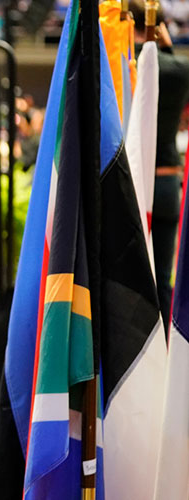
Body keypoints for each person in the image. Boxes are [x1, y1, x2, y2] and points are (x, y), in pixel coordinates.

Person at [130, 1, 189, 326]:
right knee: (163, 279)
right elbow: (166, 63)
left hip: (136, 184)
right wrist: (162, 40)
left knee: (130, 279)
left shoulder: (124, 64)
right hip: (168, 183)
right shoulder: (179, 71)